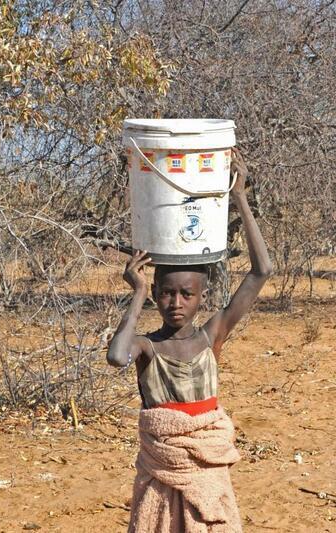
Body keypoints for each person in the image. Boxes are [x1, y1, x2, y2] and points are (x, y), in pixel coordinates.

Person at [107, 148, 272, 533]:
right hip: (163, 471)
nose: (176, 303)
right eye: (165, 293)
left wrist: (240, 198)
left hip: (206, 467)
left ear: (202, 296)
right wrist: (136, 292)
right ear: (155, 295)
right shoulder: (147, 347)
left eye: (187, 294)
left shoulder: (211, 336)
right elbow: (117, 357)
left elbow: (262, 271)